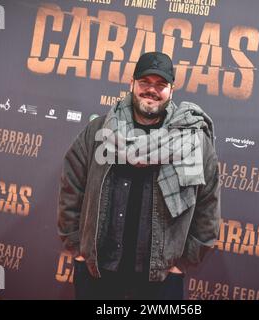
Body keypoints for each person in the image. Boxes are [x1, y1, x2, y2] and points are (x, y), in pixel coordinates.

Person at [57, 51, 220, 300]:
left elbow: (208, 205)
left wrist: (183, 263)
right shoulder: (100, 131)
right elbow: (72, 185)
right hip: (98, 272)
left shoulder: (192, 141)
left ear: (171, 91)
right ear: (131, 83)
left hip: (161, 279)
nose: (151, 91)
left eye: (160, 85)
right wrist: (77, 246)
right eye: (145, 83)